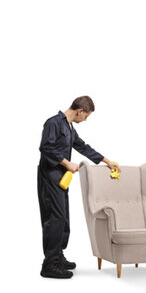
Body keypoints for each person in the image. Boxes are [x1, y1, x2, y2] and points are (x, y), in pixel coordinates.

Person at [37, 96, 119, 279]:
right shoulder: (53, 123)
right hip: (50, 175)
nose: (86, 120)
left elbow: (82, 146)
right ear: (80, 111)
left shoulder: (69, 127)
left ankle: (57, 256)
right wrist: (67, 163)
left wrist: (107, 161)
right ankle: (49, 264)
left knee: (64, 217)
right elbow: (46, 147)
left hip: (61, 177)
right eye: (87, 116)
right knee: (55, 218)